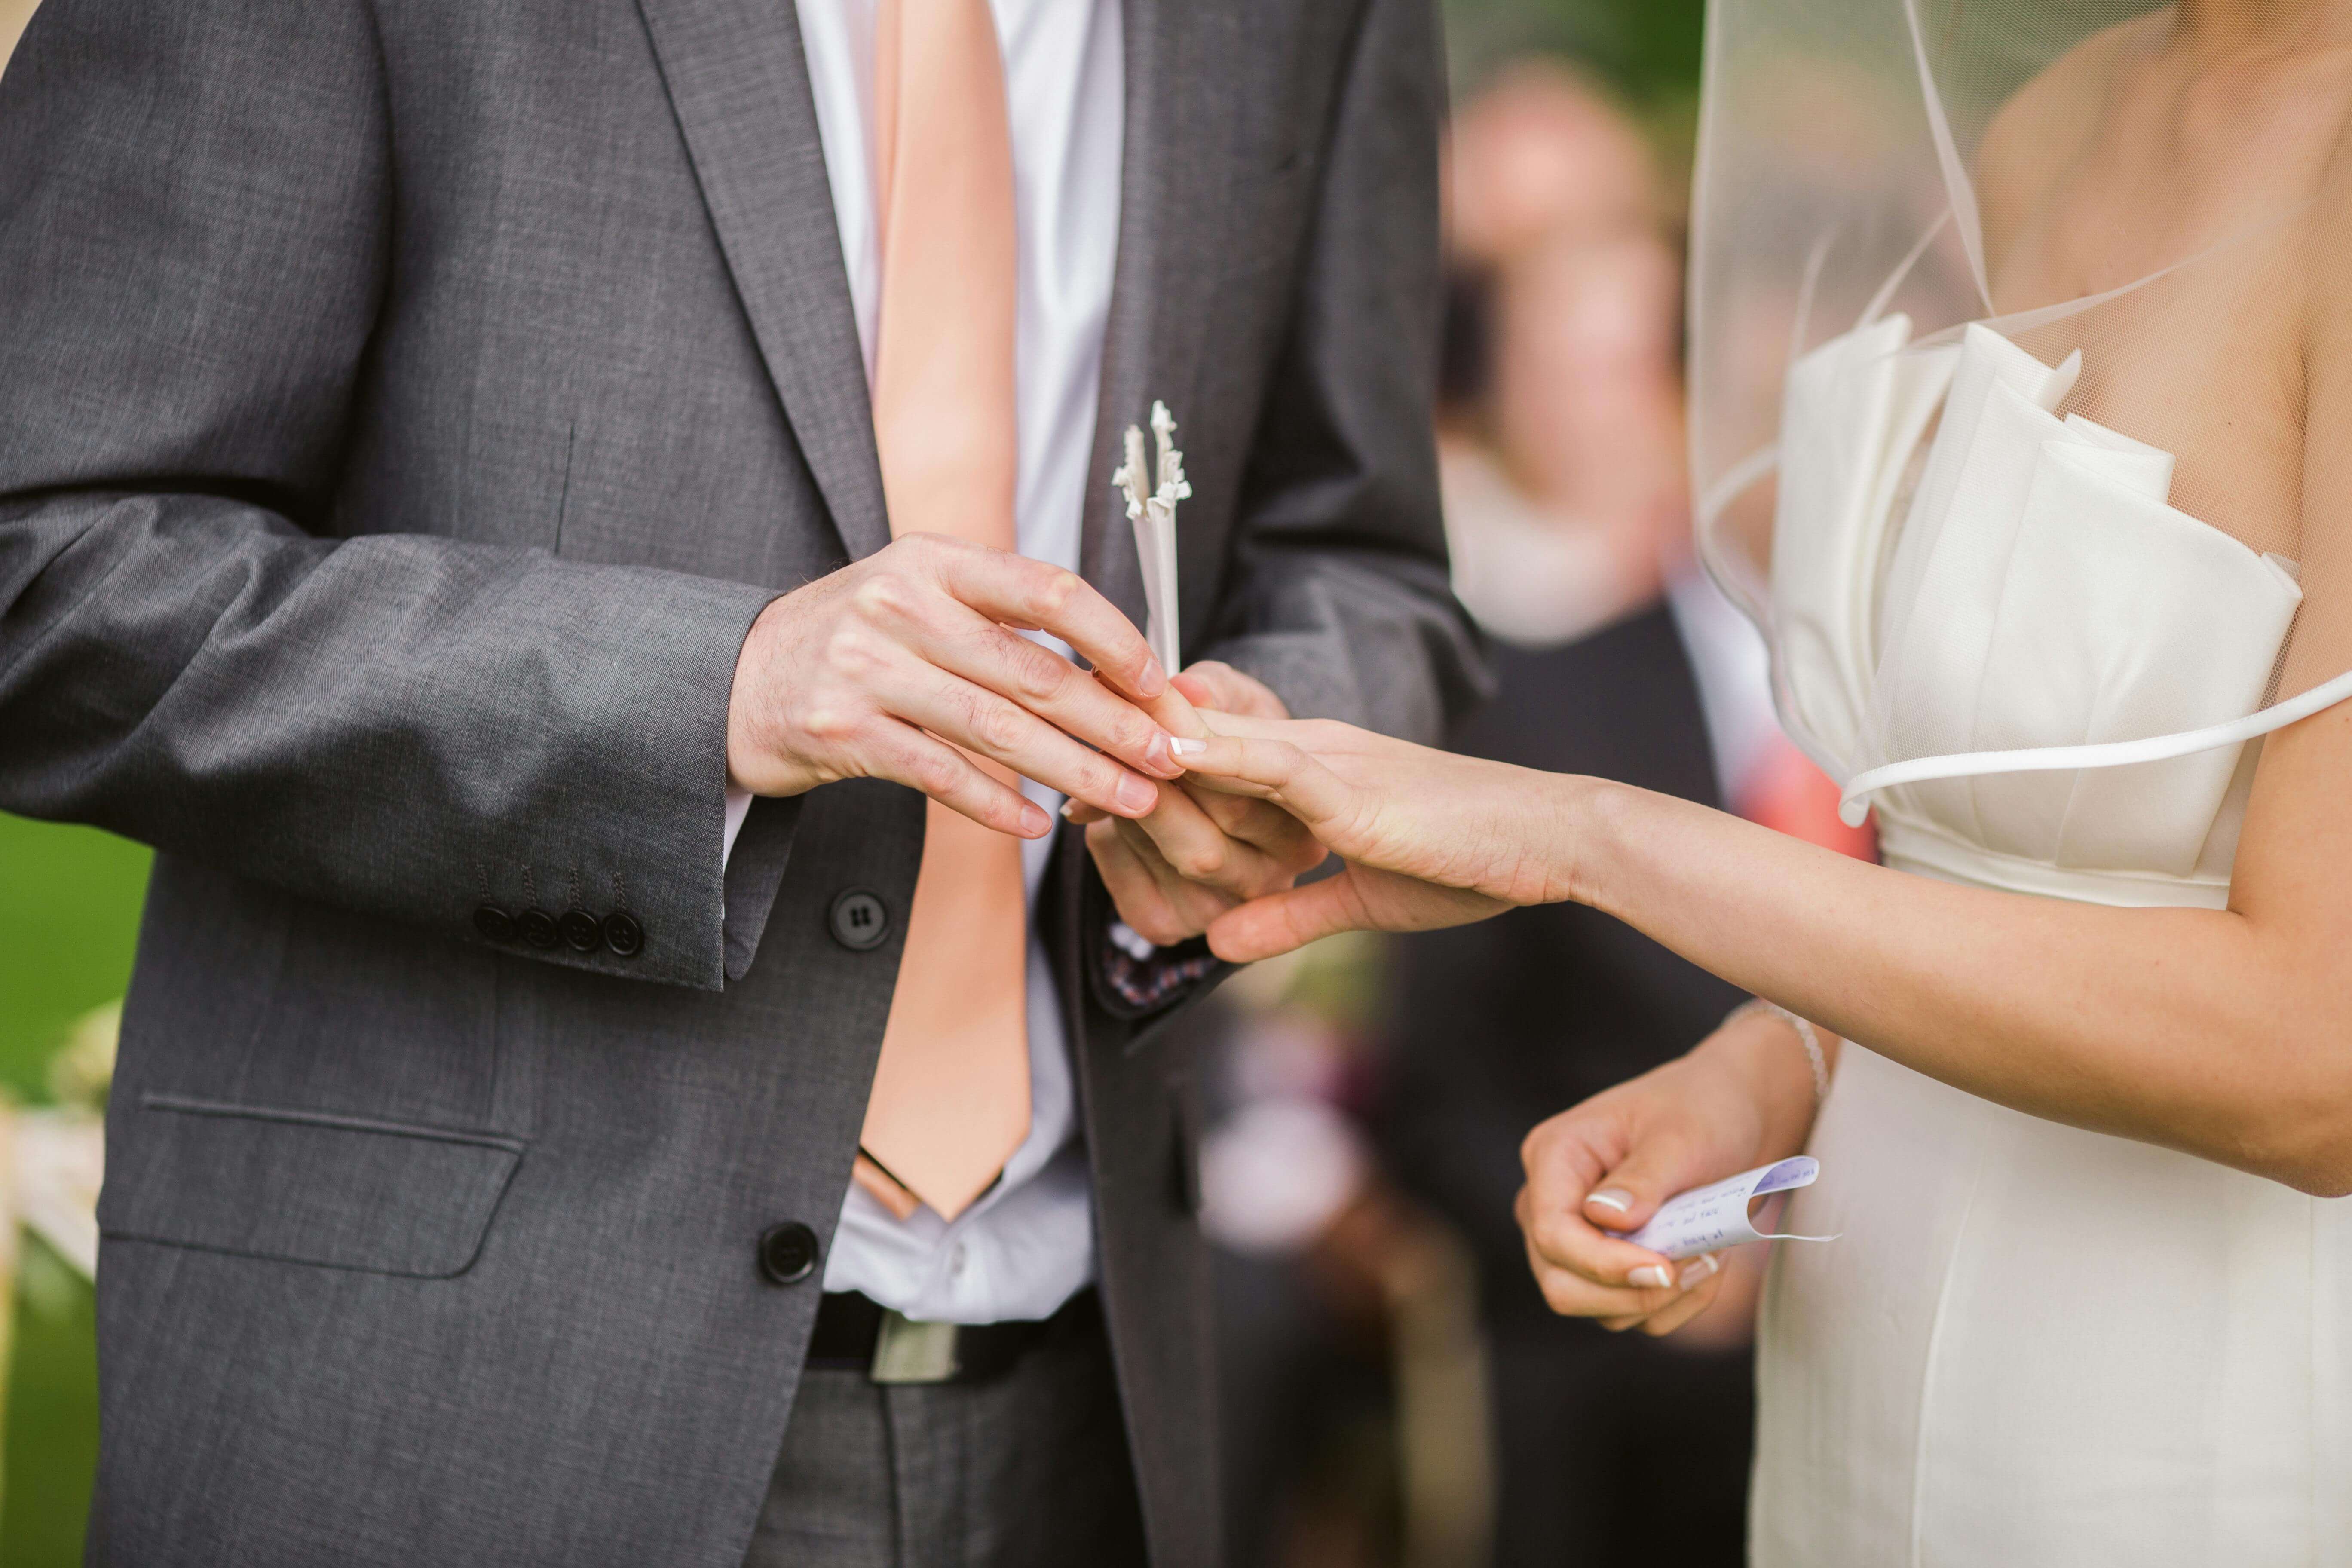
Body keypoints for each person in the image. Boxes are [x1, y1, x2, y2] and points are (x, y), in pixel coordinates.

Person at [0, 0, 1480, 1562]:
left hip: (1098, 1396)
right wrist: (713, 695)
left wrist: (1274, 737)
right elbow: (46, 560)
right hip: (454, 1400)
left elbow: (1364, 559)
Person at [1168, 1, 2352, 1561]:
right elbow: (2000, 850)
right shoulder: (2052, 119)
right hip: (1854, 1366)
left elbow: (2316, 1055)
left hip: (2189, 1412)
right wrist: (1780, 1060)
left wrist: (1586, 835)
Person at [1383, 63, 1764, 1566]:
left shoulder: (1877, 684)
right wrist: (1640, 1249)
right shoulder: (1517, 694)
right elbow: (1444, 1083)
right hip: (1620, 1364)